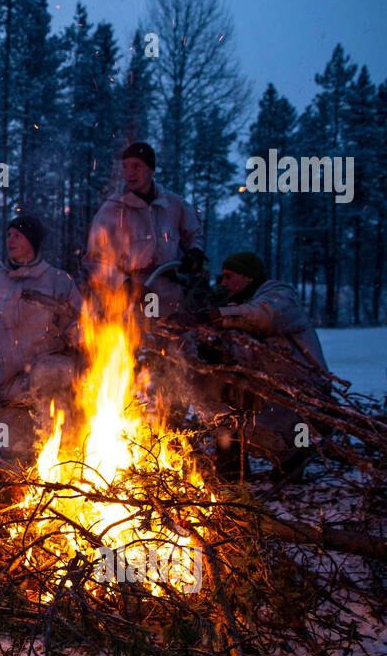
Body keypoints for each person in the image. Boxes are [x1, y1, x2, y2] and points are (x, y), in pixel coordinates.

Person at [204, 251, 329, 480]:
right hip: (271, 390)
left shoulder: (280, 295)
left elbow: (264, 317)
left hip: (304, 397)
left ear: (248, 277)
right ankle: (232, 470)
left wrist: (217, 314)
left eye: (229, 276)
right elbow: (243, 356)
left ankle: (296, 455)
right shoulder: (240, 307)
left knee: (295, 435)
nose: (223, 283)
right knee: (220, 406)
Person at [0, 216, 83, 459]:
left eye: (17, 235)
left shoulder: (58, 281)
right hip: (7, 378)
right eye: (8, 235)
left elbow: (78, 323)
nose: (10, 240)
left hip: (50, 376)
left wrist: (83, 355)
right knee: (11, 451)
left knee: (54, 447)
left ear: (32, 241)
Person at [84, 141, 205, 319]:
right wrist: (122, 284)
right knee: (136, 343)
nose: (130, 173)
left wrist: (195, 252)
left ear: (150, 169)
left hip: (169, 298)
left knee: (170, 342)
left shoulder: (173, 205)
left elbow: (195, 234)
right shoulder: (112, 209)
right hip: (129, 301)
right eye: (125, 167)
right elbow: (94, 260)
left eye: (137, 166)